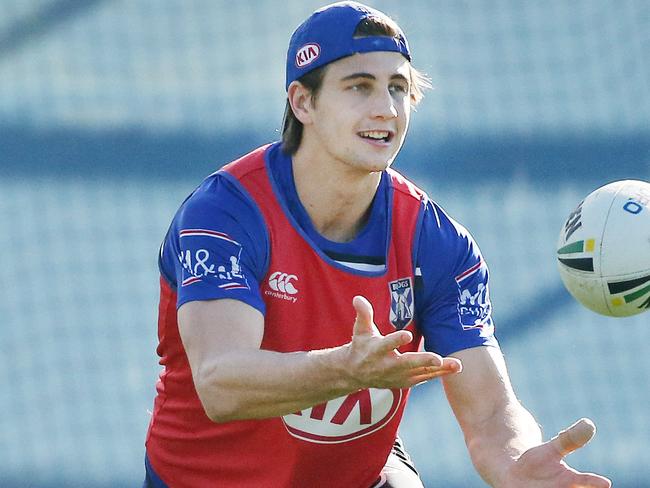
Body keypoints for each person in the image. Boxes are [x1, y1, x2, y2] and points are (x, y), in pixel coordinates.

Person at [143, 2, 612, 487]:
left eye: (398, 88)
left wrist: (517, 463)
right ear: (302, 102)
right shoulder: (226, 213)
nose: (386, 109)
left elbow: (491, 414)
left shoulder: (438, 244)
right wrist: (346, 369)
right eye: (359, 86)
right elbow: (222, 385)